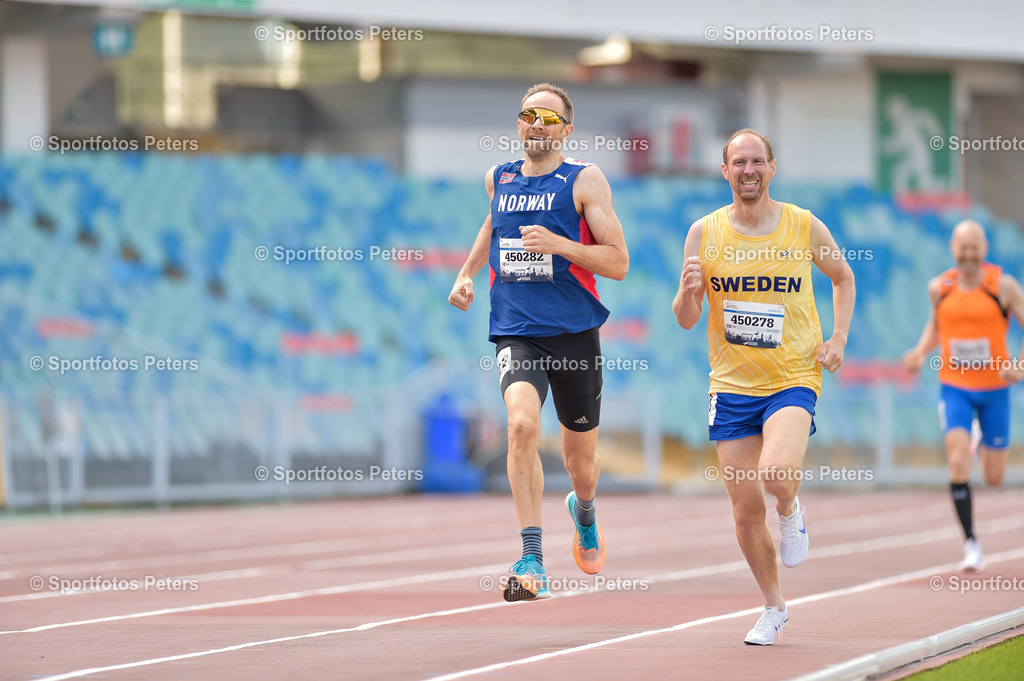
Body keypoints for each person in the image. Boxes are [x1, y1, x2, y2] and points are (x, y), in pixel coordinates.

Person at [672, 129, 855, 645]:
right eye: (738, 162)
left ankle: (791, 509)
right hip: (730, 386)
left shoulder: (801, 224)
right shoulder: (702, 233)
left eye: (757, 161)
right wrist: (688, 294)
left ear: (772, 167)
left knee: (775, 476)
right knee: (744, 508)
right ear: (724, 171)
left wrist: (838, 336)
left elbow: (843, 278)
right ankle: (773, 606)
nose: (748, 170)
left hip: (793, 376)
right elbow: (686, 319)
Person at [448, 83, 629, 602]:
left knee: (580, 464)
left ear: (566, 130)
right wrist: (466, 273)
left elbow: (618, 262)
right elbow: (493, 224)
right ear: (519, 123)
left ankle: (585, 509)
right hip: (516, 329)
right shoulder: (498, 178)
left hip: (573, 333)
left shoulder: (584, 180)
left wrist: (560, 246)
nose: (537, 123)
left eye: (549, 117)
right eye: (529, 114)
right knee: (522, 425)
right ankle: (531, 558)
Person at [902, 219, 1024, 572]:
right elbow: (936, 328)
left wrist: (1019, 365)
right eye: (962, 248)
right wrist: (920, 351)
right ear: (953, 249)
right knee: (957, 463)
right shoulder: (939, 287)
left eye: (974, 248)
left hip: (995, 390)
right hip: (954, 386)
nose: (968, 255)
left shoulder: (1004, 287)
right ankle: (972, 543)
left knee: (995, 478)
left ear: (984, 249)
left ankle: (981, 436)